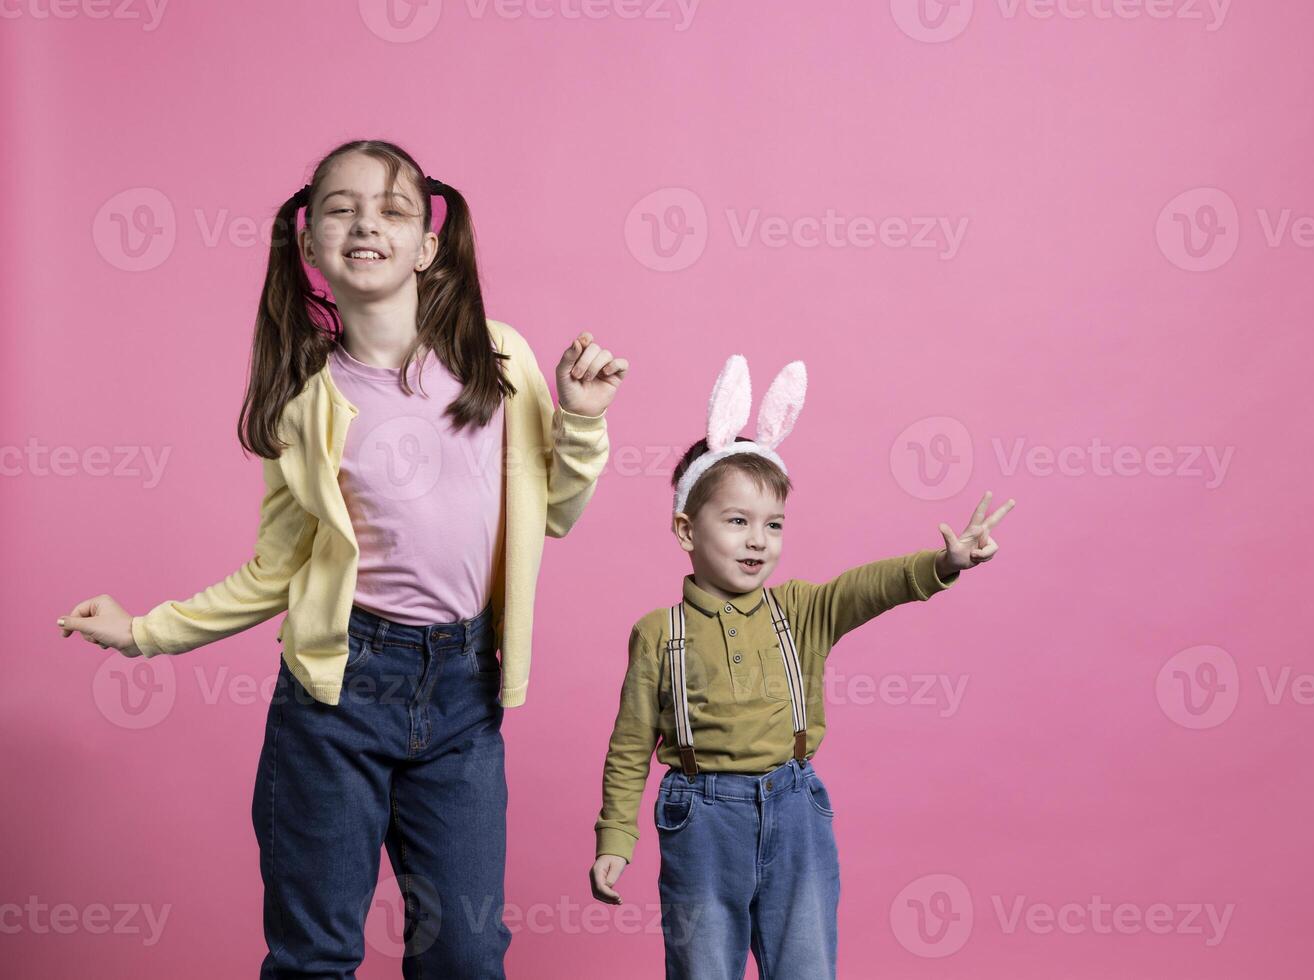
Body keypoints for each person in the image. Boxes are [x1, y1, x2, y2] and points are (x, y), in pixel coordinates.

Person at [57, 139, 628, 978]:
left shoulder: (499, 360)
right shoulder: (305, 401)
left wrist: (579, 422)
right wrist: (145, 632)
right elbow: (273, 572)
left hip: (465, 693)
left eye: (393, 208)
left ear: (428, 246)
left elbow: (557, 514)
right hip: (338, 695)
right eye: (342, 208)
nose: (367, 222)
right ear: (311, 243)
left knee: (466, 955)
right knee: (314, 955)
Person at [587, 353, 1013, 979]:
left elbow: (871, 587)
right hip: (700, 822)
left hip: (794, 812)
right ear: (685, 528)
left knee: (806, 964)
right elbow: (629, 746)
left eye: (773, 525)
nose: (758, 540)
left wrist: (943, 564)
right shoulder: (659, 634)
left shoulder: (801, 609)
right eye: (737, 522)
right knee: (702, 966)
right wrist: (614, 839)